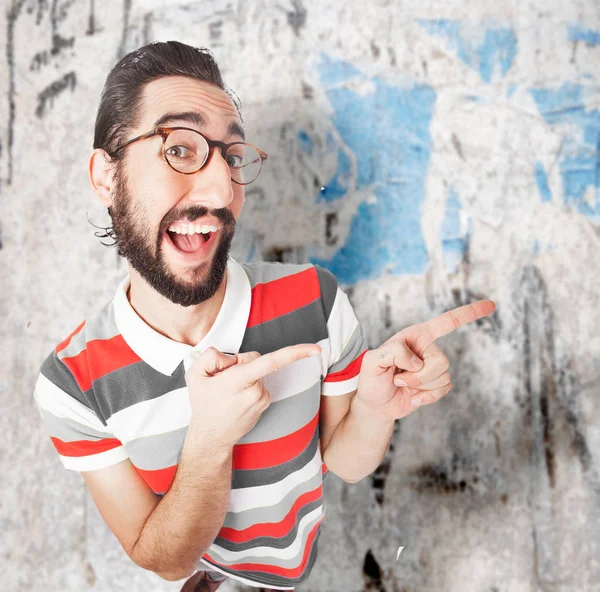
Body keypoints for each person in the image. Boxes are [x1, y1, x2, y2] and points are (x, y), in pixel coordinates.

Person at [33, 41, 496, 591]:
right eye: (179, 149)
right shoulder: (72, 383)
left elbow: (345, 461)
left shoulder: (315, 300)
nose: (222, 188)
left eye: (230, 157)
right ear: (106, 177)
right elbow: (163, 559)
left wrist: (374, 409)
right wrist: (208, 439)